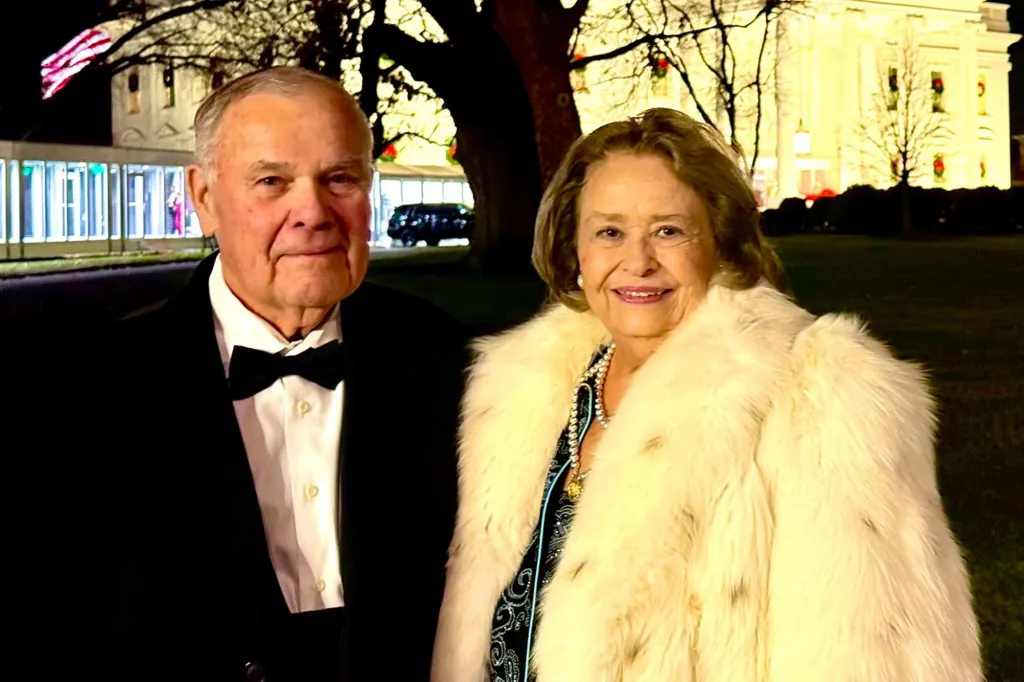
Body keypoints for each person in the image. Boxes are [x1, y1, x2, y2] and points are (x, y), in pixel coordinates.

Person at [431, 108, 980, 682]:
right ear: (576, 250)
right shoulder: (527, 392)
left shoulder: (821, 396)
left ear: (722, 244)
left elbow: (873, 657)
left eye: (669, 230)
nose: (637, 260)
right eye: (609, 231)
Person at [21, 66, 467, 682]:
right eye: (271, 181)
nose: (311, 211)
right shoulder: (82, 392)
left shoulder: (456, 363)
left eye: (339, 178)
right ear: (204, 198)